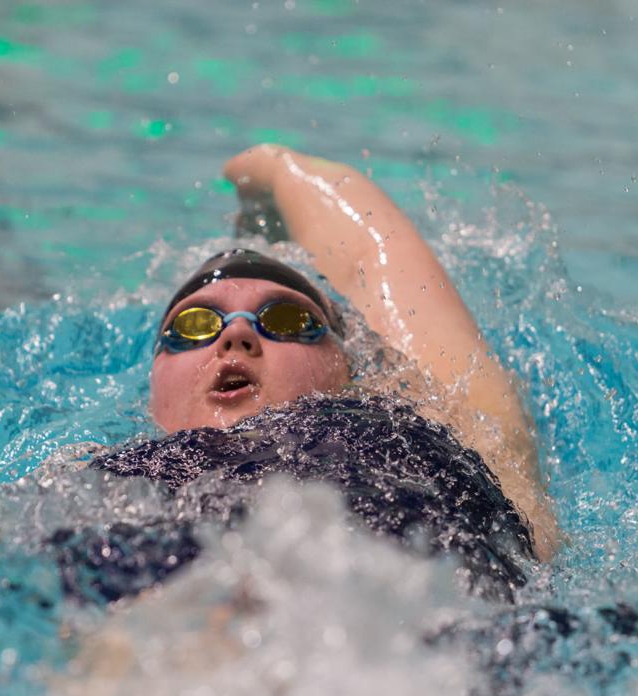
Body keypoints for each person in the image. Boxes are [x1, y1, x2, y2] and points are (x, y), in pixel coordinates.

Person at [51, 145, 561, 605]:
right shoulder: (94, 487)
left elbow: (373, 259)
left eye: (288, 319)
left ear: (351, 366)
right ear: (152, 391)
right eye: (193, 325)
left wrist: (273, 168)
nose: (236, 336)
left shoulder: (447, 438)